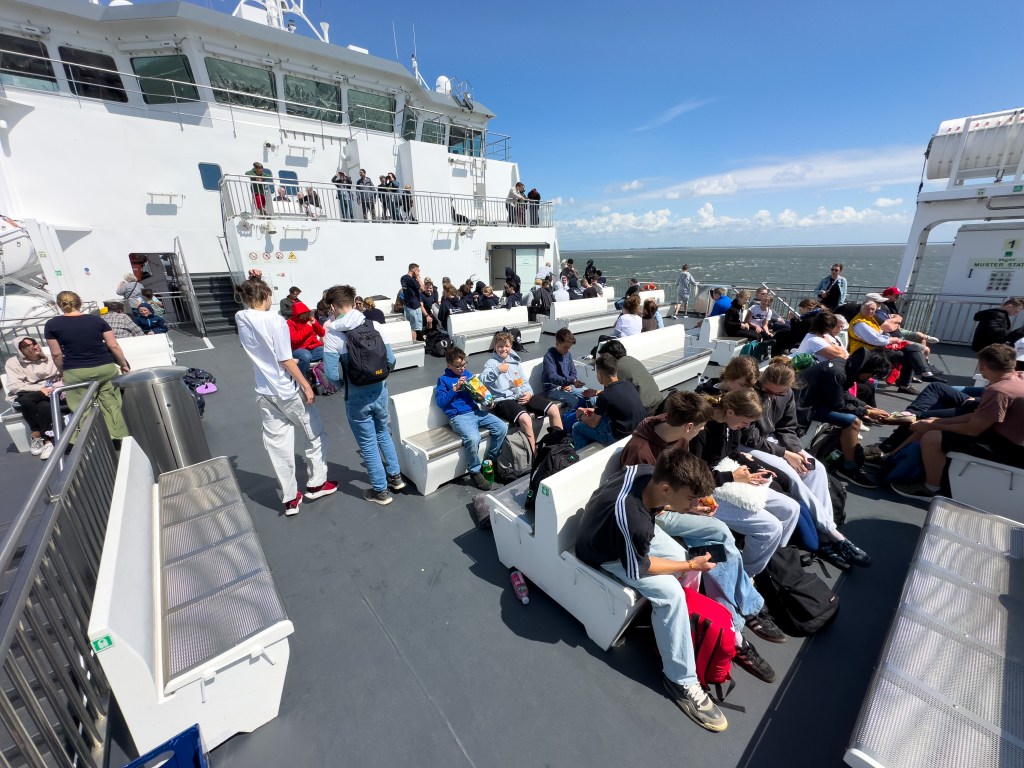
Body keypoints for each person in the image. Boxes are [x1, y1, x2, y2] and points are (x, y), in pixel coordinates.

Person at [621, 391, 788, 656]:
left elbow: (682, 482)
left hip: (673, 504)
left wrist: (696, 500)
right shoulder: (641, 451)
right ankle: (741, 618)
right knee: (719, 535)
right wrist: (688, 506)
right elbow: (642, 502)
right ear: (689, 426)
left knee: (720, 544)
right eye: (700, 427)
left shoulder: (677, 436)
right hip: (655, 514)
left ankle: (733, 624)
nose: (702, 431)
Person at [574, 447, 727, 732]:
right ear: (667, 488)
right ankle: (680, 680)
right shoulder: (634, 521)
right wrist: (690, 566)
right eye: (691, 498)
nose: (695, 503)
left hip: (619, 531)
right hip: (603, 551)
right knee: (670, 594)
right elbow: (638, 568)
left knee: (682, 558)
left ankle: (679, 631)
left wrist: (687, 509)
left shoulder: (648, 473)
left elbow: (650, 511)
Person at [740, 357, 872, 571]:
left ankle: (824, 538)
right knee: (791, 475)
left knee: (816, 468)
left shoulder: (787, 395)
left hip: (773, 441)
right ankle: (832, 534)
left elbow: (787, 427)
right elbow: (750, 437)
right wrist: (786, 454)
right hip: (751, 445)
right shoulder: (751, 395)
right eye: (768, 391)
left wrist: (796, 451)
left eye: (779, 393)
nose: (772, 396)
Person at [235, 271, 334, 514]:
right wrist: (306, 385)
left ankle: (290, 499)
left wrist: (254, 280)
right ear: (266, 295)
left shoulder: (241, 317)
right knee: (315, 434)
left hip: (264, 391)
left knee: (278, 446)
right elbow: (285, 359)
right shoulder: (276, 320)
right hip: (286, 390)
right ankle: (317, 483)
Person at [689, 390, 800, 577]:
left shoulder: (731, 426)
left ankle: (772, 559)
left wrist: (755, 468)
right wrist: (733, 477)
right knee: (770, 528)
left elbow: (732, 453)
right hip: (707, 489)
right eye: (745, 422)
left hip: (728, 477)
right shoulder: (701, 431)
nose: (746, 426)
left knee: (791, 508)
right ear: (730, 412)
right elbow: (695, 478)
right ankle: (747, 575)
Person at [893, 344, 1024, 500]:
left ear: (982, 365)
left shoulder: (999, 391)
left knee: (932, 437)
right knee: (929, 424)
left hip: (1010, 449)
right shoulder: (1020, 377)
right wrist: (937, 422)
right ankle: (891, 455)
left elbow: (973, 430)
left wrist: (933, 426)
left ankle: (930, 488)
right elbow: (977, 417)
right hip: (1009, 438)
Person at [322, 284, 404, 505]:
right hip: (380, 391)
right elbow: (391, 360)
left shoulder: (333, 335)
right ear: (353, 302)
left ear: (333, 307)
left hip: (356, 397)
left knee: (367, 443)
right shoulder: (374, 325)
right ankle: (396, 477)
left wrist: (344, 385)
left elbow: (331, 373)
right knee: (383, 432)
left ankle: (380, 491)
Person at [44, 291, 130, 444]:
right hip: (105, 367)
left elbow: (56, 354)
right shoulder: (97, 320)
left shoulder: (52, 325)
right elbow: (113, 345)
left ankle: (88, 442)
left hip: (76, 371)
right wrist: (123, 364)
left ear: (59, 305)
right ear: (80, 303)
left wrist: (63, 372)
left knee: (82, 408)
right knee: (111, 403)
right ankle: (118, 437)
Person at [798, 350, 893, 488]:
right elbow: (837, 404)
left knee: (854, 419)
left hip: (814, 401)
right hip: (805, 407)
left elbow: (842, 393)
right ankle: (848, 468)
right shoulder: (837, 373)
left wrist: (865, 406)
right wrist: (866, 412)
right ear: (866, 368)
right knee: (852, 422)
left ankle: (847, 457)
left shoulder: (843, 366)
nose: (869, 378)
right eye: (871, 374)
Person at [434, 347, 508, 491]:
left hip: (475, 412)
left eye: (464, 364)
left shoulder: (467, 374)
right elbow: (441, 402)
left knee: (502, 427)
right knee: (473, 438)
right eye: (458, 366)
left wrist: (488, 401)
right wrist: (455, 389)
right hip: (459, 416)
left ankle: (490, 461)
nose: (462, 368)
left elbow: (479, 394)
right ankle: (474, 471)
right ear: (449, 365)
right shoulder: (443, 380)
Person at [482, 331, 563, 451]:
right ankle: (532, 455)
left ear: (511, 346)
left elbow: (524, 382)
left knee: (554, 409)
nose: (503, 349)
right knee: (526, 419)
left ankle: (560, 447)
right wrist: (497, 370)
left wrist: (529, 393)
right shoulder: (491, 364)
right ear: (495, 347)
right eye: (500, 346)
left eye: (507, 346)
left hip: (521, 396)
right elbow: (483, 380)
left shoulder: (515, 362)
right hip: (504, 400)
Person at [848, 299, 932, 394]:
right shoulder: (860, 323)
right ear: (861, 308)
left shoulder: (870, 319)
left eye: (873, 309)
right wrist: (891, 340)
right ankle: (911, 381)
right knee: (906, 356)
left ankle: (923, 372)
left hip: (876, 348)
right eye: (867, 309)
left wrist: (890, 340)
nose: (870, 311)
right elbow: (876, 340)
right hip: (865, 352)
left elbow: (881, 333)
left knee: (912, 348)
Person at [4, 337, 62, 459]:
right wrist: (39, 388)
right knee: (31, 401)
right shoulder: (13, 363)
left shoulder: (51, 358)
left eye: (34, 343)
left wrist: (52, 387)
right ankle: (47, 439)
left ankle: (36, 435)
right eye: (28, 346)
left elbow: (64, 376)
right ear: (21, 351)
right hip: (28, 391)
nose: (34, 347)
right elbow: (14, 385)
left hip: (52, 389)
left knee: (38, 404)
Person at [571, 354, 645, 449]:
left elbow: (593, 423)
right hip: (638, 430)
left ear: (600, 375)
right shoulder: (628, 384)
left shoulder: (604, 396)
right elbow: (617, 406)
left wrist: (580, 416)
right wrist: (593, 410)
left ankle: (584, 456)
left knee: (577, 427)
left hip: (619, 437)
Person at [601, 339, 663, 415]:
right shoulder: (632, 359)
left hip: (645, 411)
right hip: (658, 402)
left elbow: (610, 398)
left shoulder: (615, 369)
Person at [542, 328, 588, 407]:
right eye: (565, 347)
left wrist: (569, 384)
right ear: (557, 344)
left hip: (567, 385)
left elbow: (573, 372)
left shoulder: (568, 354)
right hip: (552, 389)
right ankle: (569, 415)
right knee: (574, 401)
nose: (567, 350)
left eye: (569, 348)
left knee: (588, 394)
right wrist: (571, 382)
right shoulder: (549, 357)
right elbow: (553, 377)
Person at [287, 301, 325, 376]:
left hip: (314, 347)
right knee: (306, 357)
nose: (305, 316)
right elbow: (295, 339)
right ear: (297, 315)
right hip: (299, 348)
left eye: (306, 313)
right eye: (302, 314)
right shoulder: (290, 322)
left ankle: (320, 375)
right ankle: (302, 377)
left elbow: (322, 333)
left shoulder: (310, 319)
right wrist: (307, 327)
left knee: (326, 353)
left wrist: (315, 323)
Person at [401, 263, 424, 341]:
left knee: (410, 326)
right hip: (414, 306)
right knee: (414, 328)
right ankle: (414, 343)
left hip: (407, 304)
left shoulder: (403, 278)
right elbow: (422, 288)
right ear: (414, 270)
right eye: (418, 271)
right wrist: (418, 277)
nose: (419, 272)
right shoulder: (411, 279)